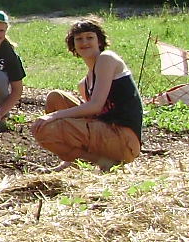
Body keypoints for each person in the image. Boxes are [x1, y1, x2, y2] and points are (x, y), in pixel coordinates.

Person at [30, 17, 143, 171]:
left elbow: (95, 107)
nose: (84, 43)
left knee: (46, 129)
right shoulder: (85, 82)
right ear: (73, 45)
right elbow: (94, 114)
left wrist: (54, 116)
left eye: (90, 37)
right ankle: (72, 161)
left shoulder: (106, 59)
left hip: (123, 139)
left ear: (100, 42)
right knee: (56, 98)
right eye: (79, 39)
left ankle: (104, 161)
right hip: (104, 131)